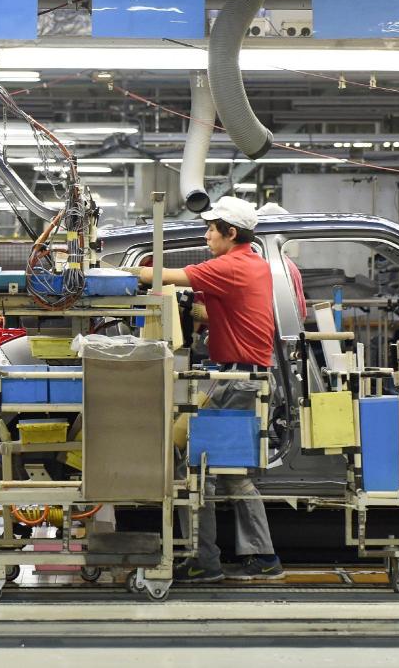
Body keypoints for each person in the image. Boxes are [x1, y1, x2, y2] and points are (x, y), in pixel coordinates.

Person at [134, 196, 283, 583]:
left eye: (211, 230)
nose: (206, 236)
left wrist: (123, 272)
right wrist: (197, 312)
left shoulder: (231, 265)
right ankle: (261, 557)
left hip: (238, 380)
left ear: (230, 233)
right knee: (229, 472)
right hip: (241, 375)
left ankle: (206, 559)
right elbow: (226, 312)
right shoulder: (253, 263)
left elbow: (165, 275)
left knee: (196, 471)